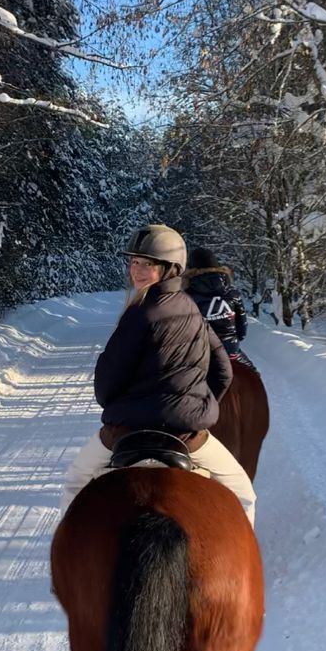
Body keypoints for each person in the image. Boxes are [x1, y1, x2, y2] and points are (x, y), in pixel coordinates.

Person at [60, 225, 256, 525]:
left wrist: (118, 405)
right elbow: (224, 371)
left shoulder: (138, 314)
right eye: (134, 262)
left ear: (169, 268)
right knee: (244, 495)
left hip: (126, 432)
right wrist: (199, 405)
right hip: (186, 435)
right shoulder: (193, 311)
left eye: (147, 264)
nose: (136, 270)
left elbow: (106, 383)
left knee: (75, 481)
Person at [183, 246, 252, 364]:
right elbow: (242, 331)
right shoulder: (232, 292)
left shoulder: (186, 296)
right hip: (231, 352)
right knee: (254, 376)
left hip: (200, 356)